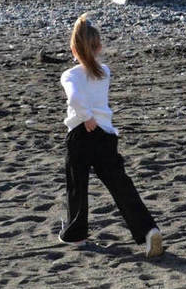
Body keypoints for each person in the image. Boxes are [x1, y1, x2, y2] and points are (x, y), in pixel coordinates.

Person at [58, 14, 163, 258]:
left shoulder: (70, 75)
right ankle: (148, 230)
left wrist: (86, 117)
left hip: (80, 134)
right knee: (120, 185)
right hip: (106, 135)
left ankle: (76, 234)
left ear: (73, 49)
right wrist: (93, 117)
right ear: (99, 47)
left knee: (77, 185)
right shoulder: (104, 71)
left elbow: (74, 97)